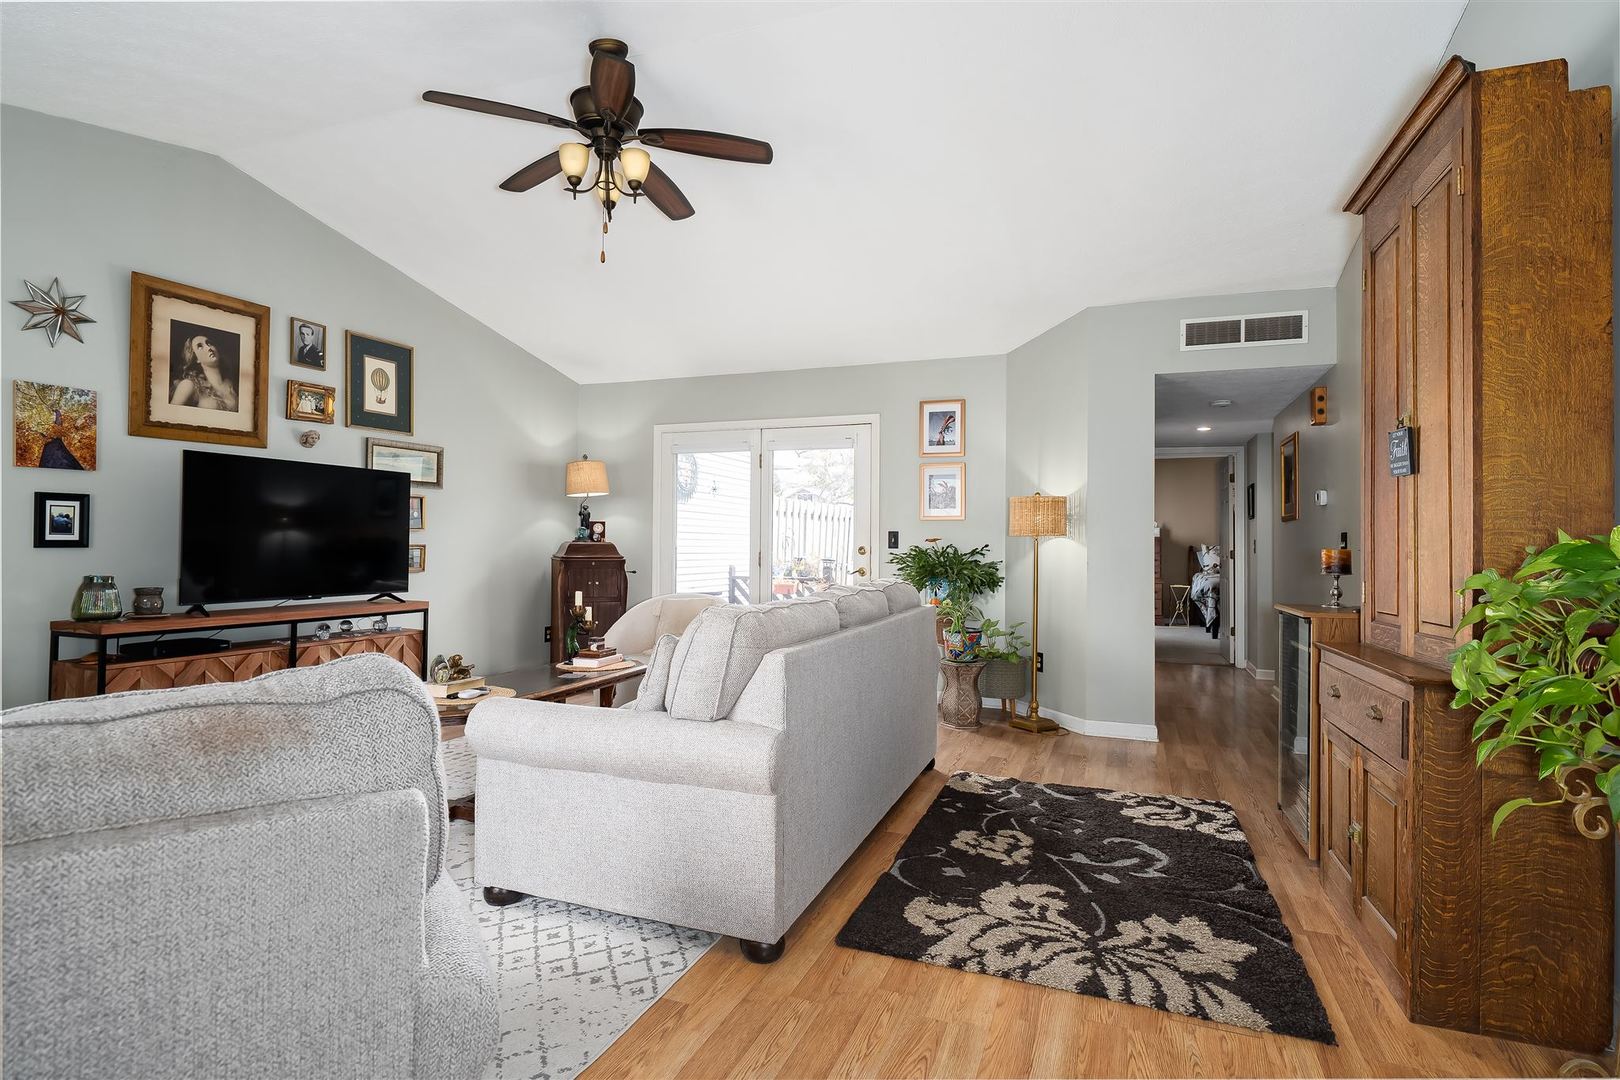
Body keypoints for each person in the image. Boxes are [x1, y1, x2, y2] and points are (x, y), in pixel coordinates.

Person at [170, 333, 238, 411]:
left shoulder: (233, 384)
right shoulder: (189, 385)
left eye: (209, 343)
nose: (208, 347)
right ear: (196, 359)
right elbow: (172, 415)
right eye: (200, 346)